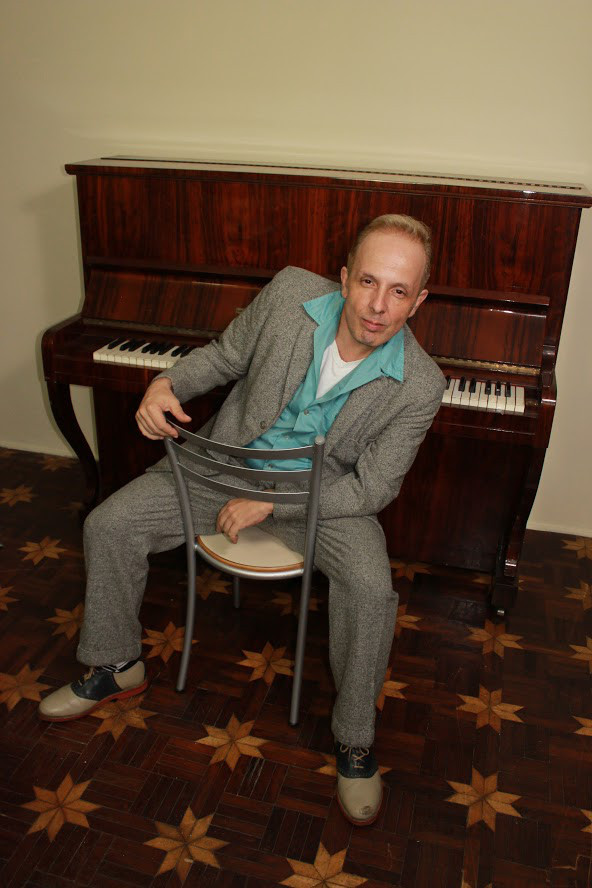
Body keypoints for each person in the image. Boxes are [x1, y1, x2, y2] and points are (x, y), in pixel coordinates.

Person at [39, 214, 445, 826]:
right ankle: (116, 664)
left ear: (419, 301)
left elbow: (372, 487)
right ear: (343, 278)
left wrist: (276, 504)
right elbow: (224, 357)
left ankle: (355, 739)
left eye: (399, 291)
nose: (378, 306)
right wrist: (165, 383)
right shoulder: (289, 293)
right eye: (367, 282)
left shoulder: (421, 384)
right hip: (226, 466)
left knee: (370, 587)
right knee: (109, 524)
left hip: (325, 497)